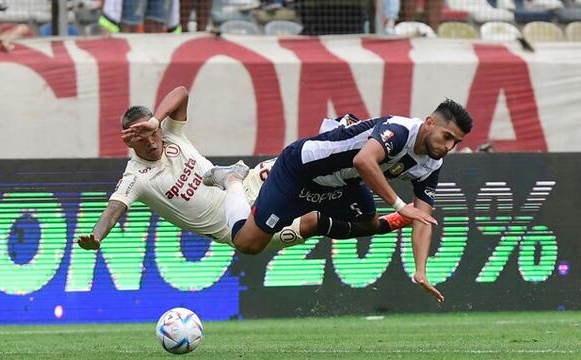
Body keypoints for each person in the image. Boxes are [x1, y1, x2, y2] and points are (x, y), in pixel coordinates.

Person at [77, 87, 411, 254]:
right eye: (142, 136)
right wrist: (97, 236)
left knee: (306, 162)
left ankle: (353, 138)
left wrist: (155, 119)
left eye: (152, 131)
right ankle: (388, 222)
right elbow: (114, 209)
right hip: (237, 223)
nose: (151, 140)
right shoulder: (136, 176)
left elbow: (180, 92)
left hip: (253, 180)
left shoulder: (170, 134)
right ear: (129, 142)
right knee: (311, 222)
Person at [203, 99, 473, 302]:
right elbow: (364, 161)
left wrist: (421, 270)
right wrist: (401, 208)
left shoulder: (432, 163)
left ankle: (316, 222)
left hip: (341, 184)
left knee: (368, 223)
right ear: (429, 123)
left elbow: (423, 218)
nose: (449, 147)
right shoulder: (400, 130)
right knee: (247, 244)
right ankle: (233, 180)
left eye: (456, 142)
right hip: (300, 169)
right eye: (446, 137)